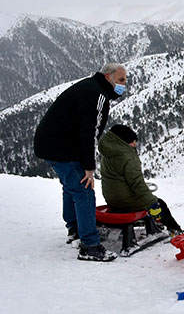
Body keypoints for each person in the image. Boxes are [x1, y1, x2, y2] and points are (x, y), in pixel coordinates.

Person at [33, 62, 127, 262]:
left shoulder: (90, 87)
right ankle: (90, 245)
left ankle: (75, 229)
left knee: (71, 187)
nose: (123, 85)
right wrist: (89, 167)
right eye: (120, 80)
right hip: (61, 147)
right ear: (108, 77)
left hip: (51, 143)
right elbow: (89, 132)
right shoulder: (98, 95)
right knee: (84, 189)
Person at [99, 124, 183, 237]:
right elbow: (137, 184)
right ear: (124, 142)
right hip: (126, 201)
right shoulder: (128, 157)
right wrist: (152, 203)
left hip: (112, 199)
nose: (135, 144)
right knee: (160, 204)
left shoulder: (108, 154)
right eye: (133, 142)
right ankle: (175, 230)